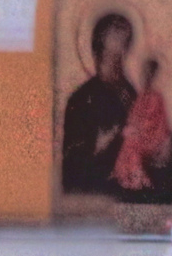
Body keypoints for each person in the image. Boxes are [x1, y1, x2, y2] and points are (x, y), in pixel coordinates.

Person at [60, 11, 140, 197]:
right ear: (98, 54)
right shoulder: (81, 99)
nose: (116, 63)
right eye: (110, 56)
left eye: (120, 55)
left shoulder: (129, 93)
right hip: (96, 189)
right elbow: (71, 164)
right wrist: (99, 145)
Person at [110, 52, 172, 200]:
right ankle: (128, 177)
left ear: (153, 75)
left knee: (131, 142)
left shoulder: (157, 97)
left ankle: (137, 180)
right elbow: (133, 117)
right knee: (129, 141)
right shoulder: (141, 96)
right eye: (144, 73)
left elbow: (155, 123)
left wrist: (137, 129)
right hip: (140, 136)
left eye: (149, 73)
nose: (146, 76)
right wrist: (130, 128)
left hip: (153, 138)